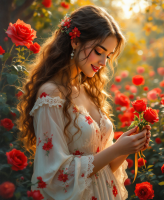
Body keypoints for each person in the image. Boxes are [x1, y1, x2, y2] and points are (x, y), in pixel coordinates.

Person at [16, 5, 151, 200]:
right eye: (99, 51)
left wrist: (127, 148)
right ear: (76, 42)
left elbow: (103, 168)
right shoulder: (51, 95)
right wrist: (117, 148)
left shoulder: (88, 92)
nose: (104, 62)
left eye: (109, 55)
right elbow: (55, 177)